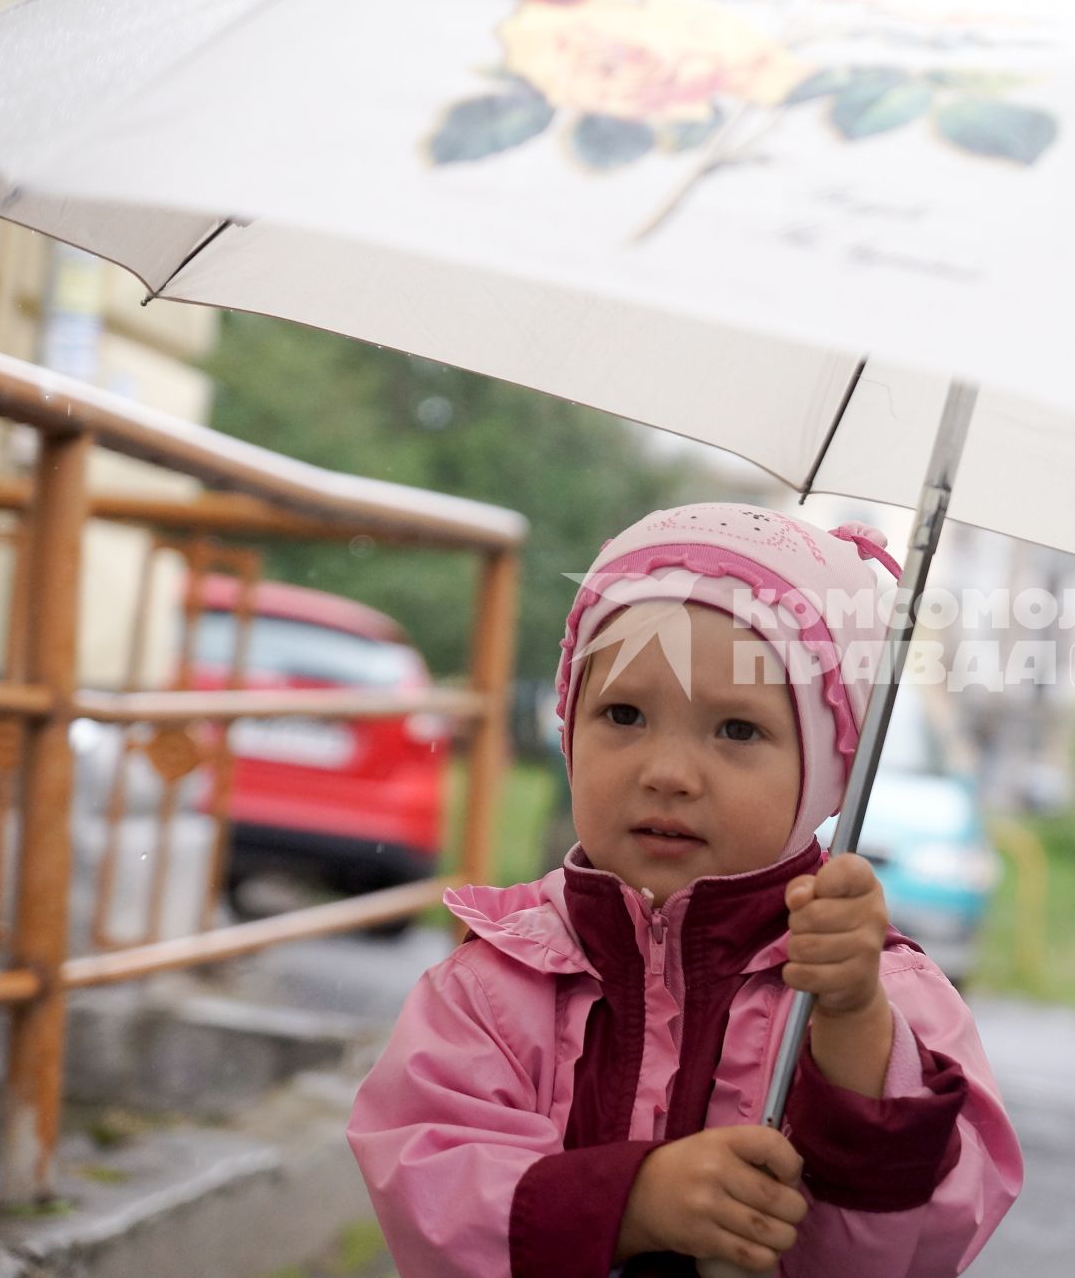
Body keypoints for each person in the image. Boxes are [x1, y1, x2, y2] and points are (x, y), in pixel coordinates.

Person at [347, 502, 1024, 1277]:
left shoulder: (881, 993)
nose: (666, 772)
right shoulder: (495, 983)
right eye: (623, 714)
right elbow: (426, 1182)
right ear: (569, 728)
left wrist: (853, 1029)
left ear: (826, 771)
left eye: (737, 730)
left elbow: (922, 1240)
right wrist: (628, 1204)